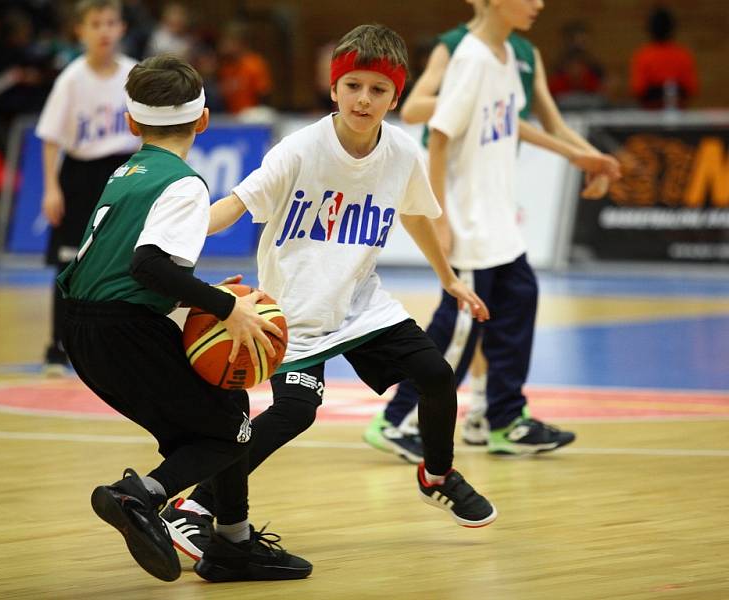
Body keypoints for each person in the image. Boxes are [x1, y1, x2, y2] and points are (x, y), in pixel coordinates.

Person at [159, 23, 498, 564]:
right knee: (294, 413)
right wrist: (176, 236)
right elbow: (237, 206)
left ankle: (436, 476)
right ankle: (194, 505)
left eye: (378, 89)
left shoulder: (402, 154)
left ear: (395, 95)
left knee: (436, 374)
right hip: (293, 311)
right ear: (335, 88)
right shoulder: (300, 150)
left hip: (360, 305)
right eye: (354, 86)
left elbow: (414, 214)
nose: (364, 99)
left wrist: (449, 277)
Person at [57, 53, 312, 583]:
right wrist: (226, 307)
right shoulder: (183, 183)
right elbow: (147, 265)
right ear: (202, 120)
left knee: (222, 410)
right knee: (233, 433)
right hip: (123, 331)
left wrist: (199, 297)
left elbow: (122, 268)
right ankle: (140, 496)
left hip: (83, 326)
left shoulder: (126, 172)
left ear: (131, 122)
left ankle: (233, 544)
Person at [366, 0, 620, 461]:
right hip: (471, 221)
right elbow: (438, 135)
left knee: (519, 301)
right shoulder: (471, 57)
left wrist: (578, 155)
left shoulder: (507, 55)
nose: (539, 3)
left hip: (499, 218)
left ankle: (505, 419)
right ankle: (397, 419)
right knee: (458, 328)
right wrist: (440, 219)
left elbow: (509, 121)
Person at [36, 0, 139, 373]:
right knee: (69, 263)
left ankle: (122, 344)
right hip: (79, 175)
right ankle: (57, 346)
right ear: (81, 31)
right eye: (96, 24)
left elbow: (150, 132)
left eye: (111, 23)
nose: (104, 31)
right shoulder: (71, 79)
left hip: (123, 173)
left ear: (122, 29)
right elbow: (50, 138)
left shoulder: (133, 75)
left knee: (126, 264)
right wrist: (51, 188)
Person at [630, 6, 697, 110]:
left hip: (653, 116)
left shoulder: (643, 56)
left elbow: (638, 90)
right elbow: (690, 89)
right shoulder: (683, 55)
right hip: (674, 113)